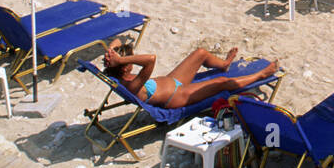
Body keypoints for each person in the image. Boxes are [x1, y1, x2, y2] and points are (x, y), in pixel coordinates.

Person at [101, 40, 277, 110]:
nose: (131, 62)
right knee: (222, 82)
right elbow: (151, 59)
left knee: (200, 53)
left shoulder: (120, 75)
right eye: (128, 61)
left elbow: (116, 42)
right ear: (123, 67)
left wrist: (112, 54)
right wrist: (121, 60)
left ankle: (224, 64)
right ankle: (261, 74)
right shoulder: (131, 85)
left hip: (173, 81)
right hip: (176, 97)